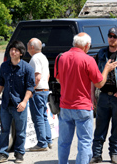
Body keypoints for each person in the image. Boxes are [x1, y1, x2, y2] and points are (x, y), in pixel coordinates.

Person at [54, 32, 117, 164]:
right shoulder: (88, 60)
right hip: (82, 106)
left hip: (65, 106)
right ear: (86, 45)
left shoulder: (60, 57)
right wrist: (106, 69)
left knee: (63, 142)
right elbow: (99, 83)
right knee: (84, 143)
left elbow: (58, 79)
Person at [0, 40, 35, 163]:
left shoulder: (27, 68)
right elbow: (1, 82)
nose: (13, 52)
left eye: (16, 50)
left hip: (20, 104)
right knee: (4, 130)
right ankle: (2, 154)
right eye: (11, 49)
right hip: (6, 103)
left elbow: (30, 87)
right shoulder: (4, 66)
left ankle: (19, 154)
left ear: (21, 53)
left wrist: (24, 102)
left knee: (21, 131)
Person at [90, 27, 117, 163]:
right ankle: (96, 154)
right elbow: (93, 75)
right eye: (110, 36)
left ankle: (114, 154)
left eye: (114, 36)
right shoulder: (101, 53)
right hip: (103, 95)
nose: (112, 38)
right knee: (100, 127)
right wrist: (92, 95)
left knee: (116, 128)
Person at [27, 38, 52, 151]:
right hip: (45, 89)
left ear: (32, 47)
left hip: (38, 91)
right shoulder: (43, 57)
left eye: (28, 44)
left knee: (38, 118)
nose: (27, 47)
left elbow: (37, 77)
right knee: (43, 116)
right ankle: (48, 140)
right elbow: (47, 76)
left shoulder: (35, 58)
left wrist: (31, 90)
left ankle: (42, 144)